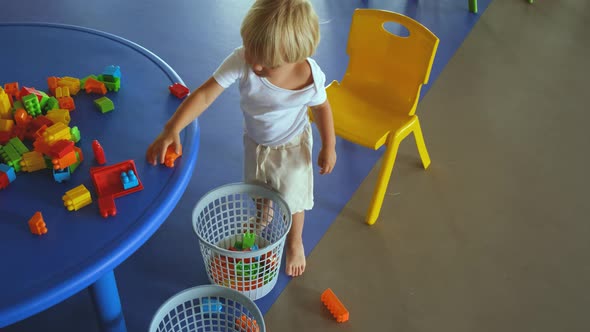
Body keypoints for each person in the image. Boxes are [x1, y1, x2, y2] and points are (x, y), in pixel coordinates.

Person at [146, 0, 336, 277]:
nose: (254, 64)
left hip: (291, 148)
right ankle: (263, 215)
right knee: (257, 187)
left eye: (266, 65)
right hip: (256, 142)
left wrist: (328, 146)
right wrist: (172, 128)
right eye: (250, 51)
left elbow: (321, 108)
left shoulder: (309, 77)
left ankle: (295, 242)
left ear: (294, 57)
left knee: (293, 200)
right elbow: (205, 93)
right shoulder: (245, 59)